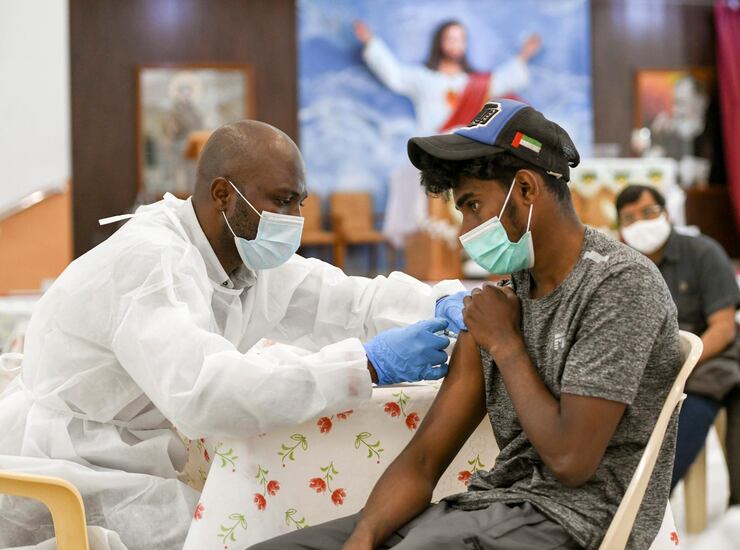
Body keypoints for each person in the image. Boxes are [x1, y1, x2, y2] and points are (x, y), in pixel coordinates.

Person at [0, 121, 470, 550]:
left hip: (134, 450)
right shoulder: (152, 261)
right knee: (230, 534)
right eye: (282, 201)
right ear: (223, 194)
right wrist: (364, 365)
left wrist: (444, 302)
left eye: (300, 203)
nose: (295, 219)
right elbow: (207, 392)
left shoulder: (246, 259)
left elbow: (347, 300)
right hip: (73, 461)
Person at [249, 99, 681, 550]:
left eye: (474, 206)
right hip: (491, 507)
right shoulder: (506, 297)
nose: (466, 230)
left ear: (527, 189)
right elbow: (424, 459)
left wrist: (506, 344)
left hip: (576, 522)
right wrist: (362, 537)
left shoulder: (618, 284)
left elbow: (571, 461)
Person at [616, 184, 740, 505]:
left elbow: (723, 327)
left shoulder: (703, 253)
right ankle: (617, 494)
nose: (642, 223)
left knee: (690, 404)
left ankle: (646, 501)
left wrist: (682, 363)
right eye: (630, 218)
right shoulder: (623, 266)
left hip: (707, 364)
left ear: (666, 213)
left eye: (649, 212)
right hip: (649, 371)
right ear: (620, 227)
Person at [353, 19, 541, 134]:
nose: (455, 44)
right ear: (440, 42)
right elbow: (394, 74)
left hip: (467, 151)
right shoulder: (423, 78)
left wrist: (524, 54)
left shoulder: (474, 82)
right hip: (433, 149)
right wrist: (371, 43)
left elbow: (503, 79)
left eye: (460, 39)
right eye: (450, 38)